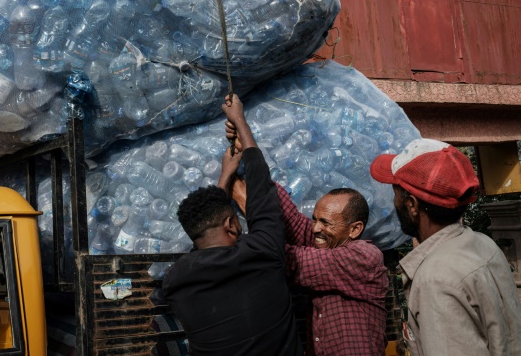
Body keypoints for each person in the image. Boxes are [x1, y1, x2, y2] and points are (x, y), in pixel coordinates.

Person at [162, 94, 302, 356]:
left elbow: (205, 237)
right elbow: (261, 191)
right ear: (231, 224)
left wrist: (225, 176)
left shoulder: (175, 282)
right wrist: (240, 120)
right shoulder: (262, 252)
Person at [370, 138, 521, 355]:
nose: (394, 202)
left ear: (412, 205)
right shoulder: (483, 243)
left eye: (395, 193)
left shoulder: (436, 279)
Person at [228, 174, 388, 355]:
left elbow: (292, 261)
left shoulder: (364, 257)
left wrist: (239, 240)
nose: (315, 228)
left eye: (325, 222)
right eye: (315, 219)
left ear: (354, 229)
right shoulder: (327, 245)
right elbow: (293, 222)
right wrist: (254, 171)